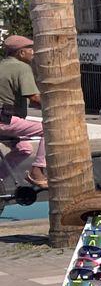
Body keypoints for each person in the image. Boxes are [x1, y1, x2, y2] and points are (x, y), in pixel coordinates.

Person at [0, 35, 46, 188]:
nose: (33, 52)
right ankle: (37, 171)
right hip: (4, 120)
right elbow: (33, 98)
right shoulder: (22, 68)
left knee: (24, 148)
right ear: (20, 53)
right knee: (49, 130)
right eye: (30, 49)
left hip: (5, 121)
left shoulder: (2, 65)